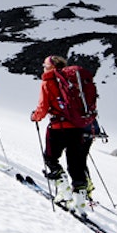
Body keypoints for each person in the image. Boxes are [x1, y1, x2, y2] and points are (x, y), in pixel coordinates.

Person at [31, 55, 94, 212]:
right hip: (78, 128)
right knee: (76, 164)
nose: (43, 68)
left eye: (45, 65)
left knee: (50, 158)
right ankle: (80, 202)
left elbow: (43, 107)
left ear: (52, 67)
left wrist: (35, 117)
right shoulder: (74, 82)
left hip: (57, 128)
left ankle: (63, 189)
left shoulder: (48, 81)